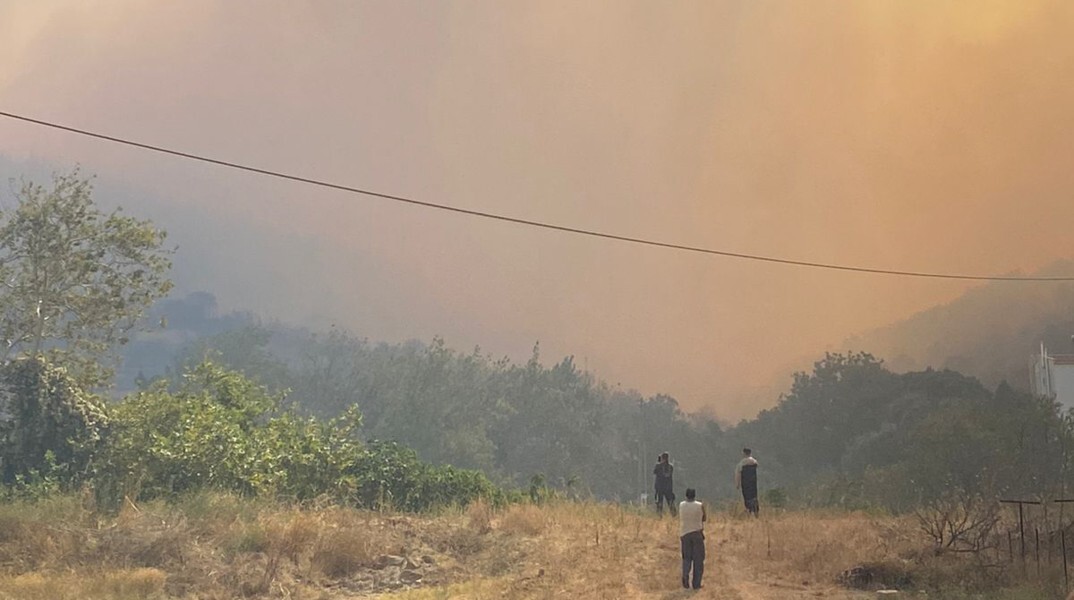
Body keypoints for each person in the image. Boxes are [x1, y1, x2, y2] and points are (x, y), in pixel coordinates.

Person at [678, 487, 706, 590]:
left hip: (684, 534)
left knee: (687, 558)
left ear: (686, 495)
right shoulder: (700, 505)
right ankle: (696, 583)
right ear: (694, 495)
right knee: (698, 560)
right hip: (697, 534)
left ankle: (685, 575)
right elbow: (704, 518)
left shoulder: (681, 505)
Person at [734, 448, 759, 516]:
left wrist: (737, 484)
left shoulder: (741, 463)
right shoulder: (754, 462)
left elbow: (738, 474)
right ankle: (755, 511)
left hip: (745, 483)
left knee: (747, 497)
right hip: (753, 483)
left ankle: (749, 511)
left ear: (744, 453)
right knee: (754, 497)